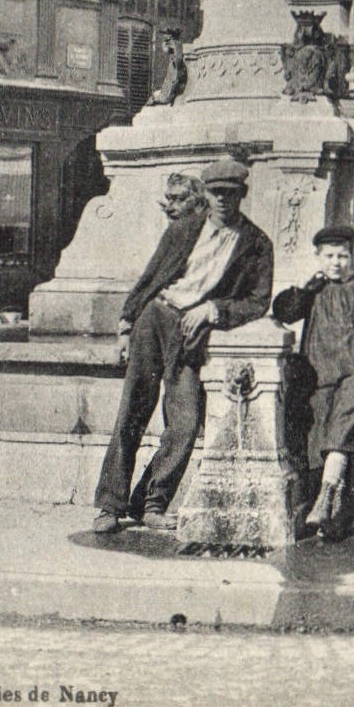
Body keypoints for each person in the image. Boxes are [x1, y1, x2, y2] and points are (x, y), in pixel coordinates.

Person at [93, 156, 273, 535]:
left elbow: (258, 302)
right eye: (216, 192)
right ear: (205, 194)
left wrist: (214, 309)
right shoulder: (184, 229)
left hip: (191, 332)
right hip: (155, 317)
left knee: (186, 422)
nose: (223, 200)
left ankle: (151, 502)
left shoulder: (256, 244)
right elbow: (151, 276)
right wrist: (126, 324)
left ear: (242, 194)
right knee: (133, 411)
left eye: (231, 193)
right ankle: (110, 504)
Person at [272, 225, 354, 539]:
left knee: (339, 434)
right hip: (321, 375)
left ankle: (326, 498)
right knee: (324, 438)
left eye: (343, 256)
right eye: (329, 256)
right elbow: (285, 313)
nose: (336, 262)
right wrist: (303, 290)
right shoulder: (315, 289)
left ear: (352, 257)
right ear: (318, 257)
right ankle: (332, 512)